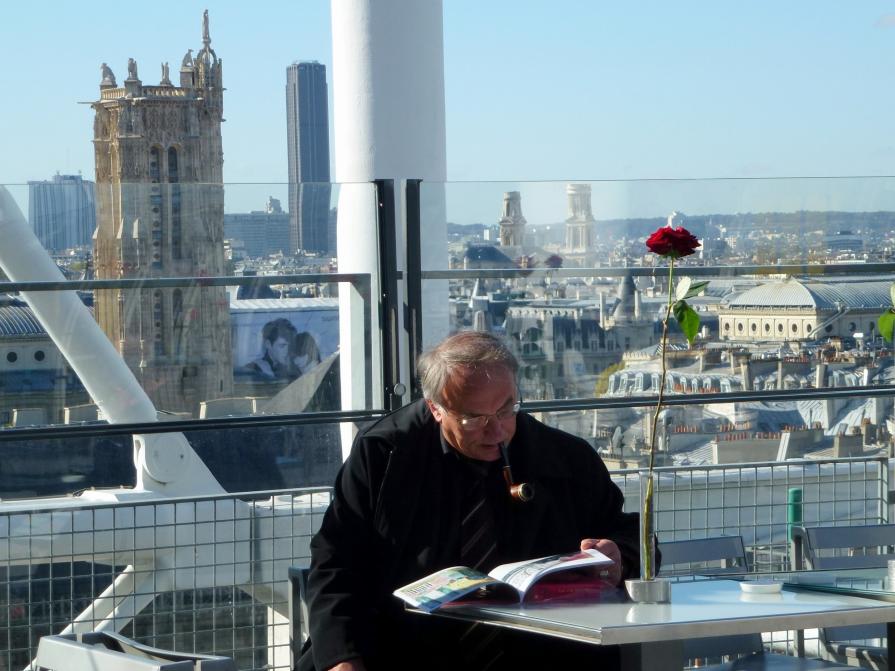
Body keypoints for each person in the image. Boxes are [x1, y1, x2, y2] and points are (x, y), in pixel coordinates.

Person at [299, 331, 641, 671]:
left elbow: (630, 536)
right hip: (405, 647)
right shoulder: (384, 455)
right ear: (435, 408)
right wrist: (342, 659)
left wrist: (617, 556)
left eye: (507, 409)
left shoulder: (565, 457)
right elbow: (335, 559)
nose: (496, 431)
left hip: (538, 651)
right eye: (474, 419)